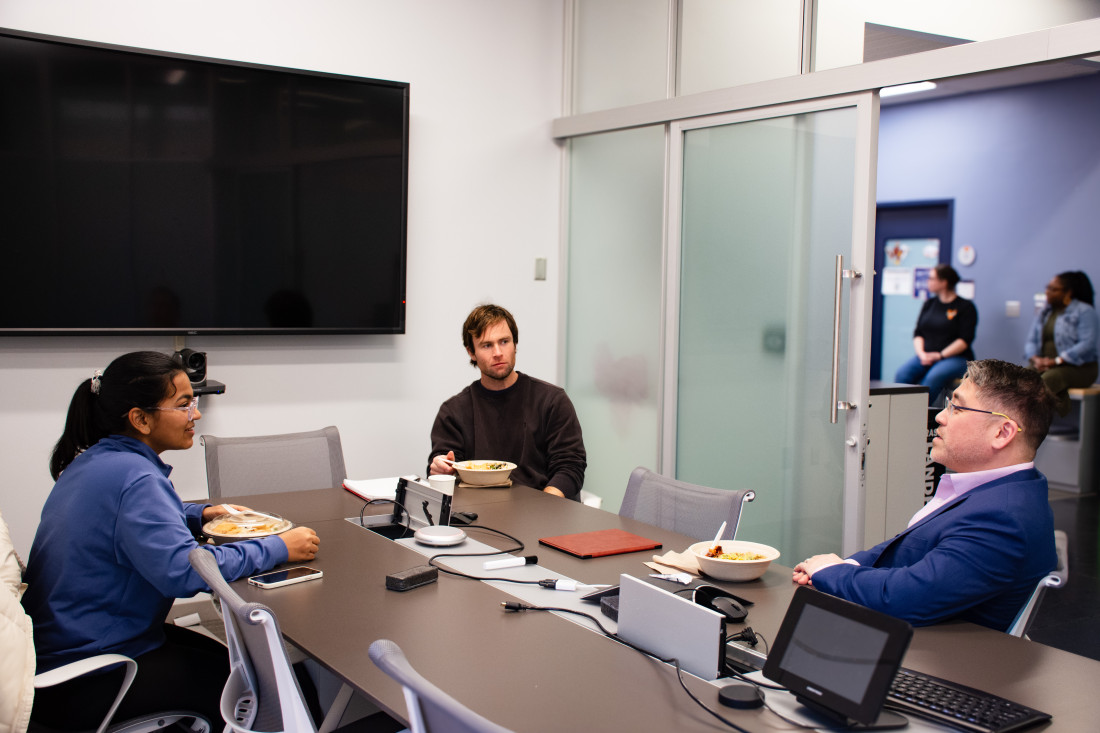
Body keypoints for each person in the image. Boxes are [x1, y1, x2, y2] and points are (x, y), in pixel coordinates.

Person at [22, 351, 320, 729]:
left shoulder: (98, 460)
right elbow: (185, 572)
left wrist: (199, 514)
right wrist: (279, 547)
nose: (195, 415)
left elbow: (127, 522)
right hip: (90, 674)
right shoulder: (137, 478)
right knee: (269, 686)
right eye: (183, 405)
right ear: (140, 419)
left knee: (235, 659)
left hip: (60, 648)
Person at [793, 359, 1057, 632]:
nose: (941, 416)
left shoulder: (1003, 518)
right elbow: (905, 549)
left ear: (1002, 433)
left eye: (956, 407)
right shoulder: (1005, 490)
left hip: (928, 655)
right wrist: (844, 565)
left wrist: (833, 573)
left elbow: (905, 598)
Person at [428, 304, 586, 500]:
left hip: (542, 511)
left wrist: (545, 506)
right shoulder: (453, 412)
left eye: (504, 341)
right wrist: (441, 468)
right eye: (487, 345)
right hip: (478, 513)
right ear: (471, 352)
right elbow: (445, 466)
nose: (498, 352)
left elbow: (570, 466)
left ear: (515, 344)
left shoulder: (552, 401)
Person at [894, 264, 978, 404]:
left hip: (956, 358)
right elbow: (918, 333)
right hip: (926, 355)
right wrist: (922, 354)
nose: (928, 282)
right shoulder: (930, 303)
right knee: (902, 374)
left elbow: (964, 340)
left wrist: (940, 355)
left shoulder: (965, 307)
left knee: (934, 377)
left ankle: (919, 415)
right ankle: (900, 411)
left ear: (943, 282)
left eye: (932, 278)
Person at [1024, 270, 1099, 416]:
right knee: (1021, 377)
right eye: (1047, 287)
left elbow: (1087, 344)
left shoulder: (1084, 311)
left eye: (1053, 289)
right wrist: (1036, 359)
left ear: (1068, 293)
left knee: (1049, 379)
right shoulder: (1045, 312)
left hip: (1080, 368)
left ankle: (1032, 425)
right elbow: (1031, 341)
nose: (1047, 292)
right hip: (1046, 365)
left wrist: (1056, 361)